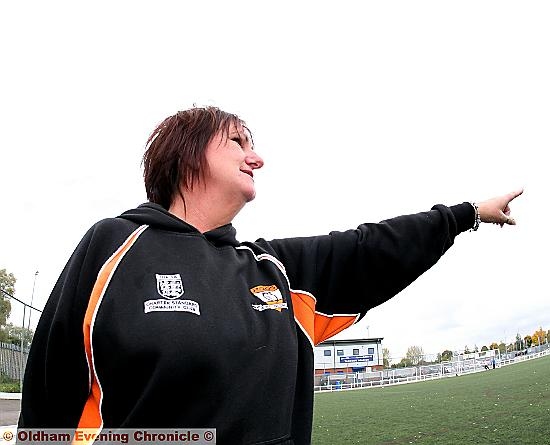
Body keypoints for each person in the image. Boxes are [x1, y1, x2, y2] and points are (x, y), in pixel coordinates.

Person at [18, 106, 523, 445]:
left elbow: (370, 248)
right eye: (238, 142)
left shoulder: (272, 271)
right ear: (187, 151)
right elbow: (47, 404)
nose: (255, 157)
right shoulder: (114, 246)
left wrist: (467, 213)